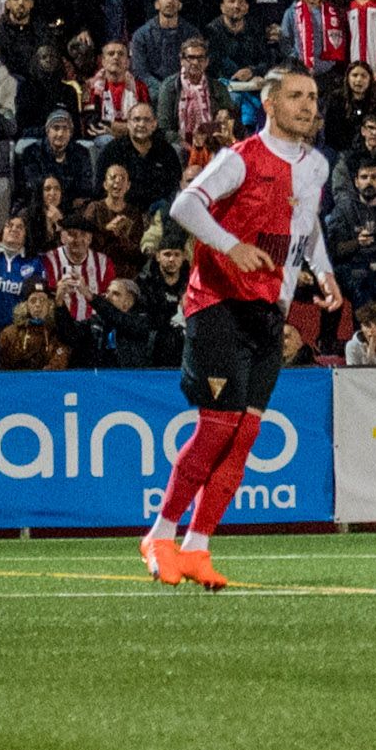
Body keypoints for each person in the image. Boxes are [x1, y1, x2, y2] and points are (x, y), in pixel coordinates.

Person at [142, 66, 336, 590]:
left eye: (313, 96)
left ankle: (198, 545)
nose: (307, 105)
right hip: (218, 303)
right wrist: (231, 246)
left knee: (245, 434)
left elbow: (306, 227)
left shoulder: (314, 165)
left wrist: (325, 272)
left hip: (267, 312)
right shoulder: (239, 158)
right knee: (219, 426)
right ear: (269, 104)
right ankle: (159, 534)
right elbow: (185, 206)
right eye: (296, 96)